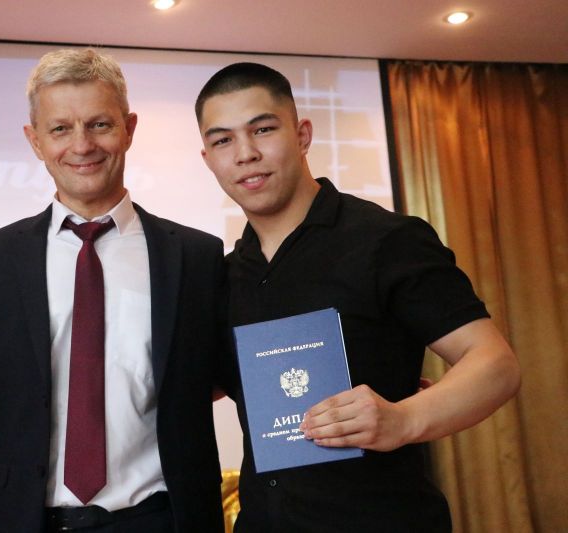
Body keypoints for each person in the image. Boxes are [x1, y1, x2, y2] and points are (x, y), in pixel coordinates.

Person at [195, 62, 521, 532]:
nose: (246, 154)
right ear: (208, 158)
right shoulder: (224, 275)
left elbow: (495, 364)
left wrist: (402, 419)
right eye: (223, 140)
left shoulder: (385, 240)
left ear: (302, 135)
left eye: (263, 129)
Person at [0, 49, 227, 533]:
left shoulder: (196, 257)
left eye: (99, 124)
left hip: (160, 521)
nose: (82, 145)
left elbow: (239, 383)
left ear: (129, 129)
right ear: (35, 141)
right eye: (60, 129)